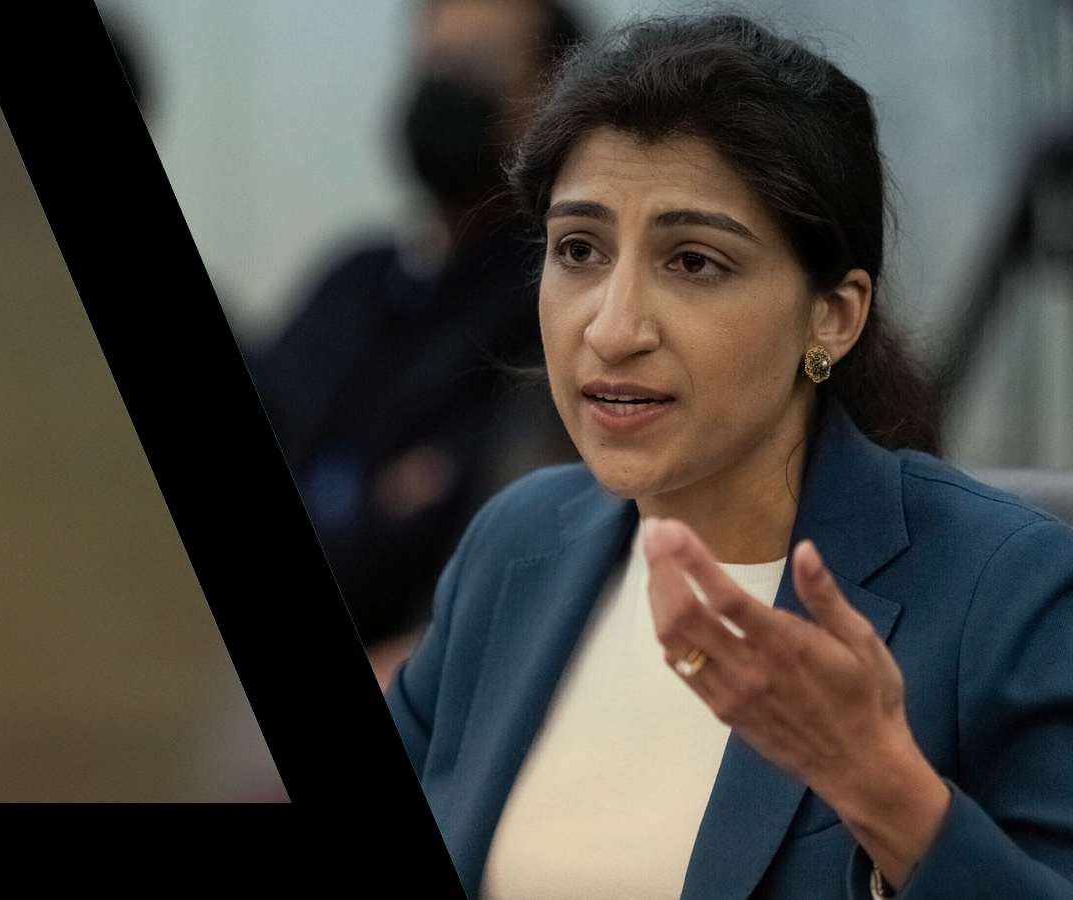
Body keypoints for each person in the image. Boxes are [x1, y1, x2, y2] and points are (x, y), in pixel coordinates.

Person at [385, 15, 1073, 898]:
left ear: (834, 317)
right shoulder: (514, 545)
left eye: (695, 262)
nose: (612, 327)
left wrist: (889, 797)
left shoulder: (1009, 592)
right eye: (580, 250)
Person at [251, 0, 583, 684]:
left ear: (555, 102)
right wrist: (379, 505)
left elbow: (473, 540)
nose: (445, 86)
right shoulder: (350, 281)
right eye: (434, 63)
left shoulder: (554, 304)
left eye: (478, 66)